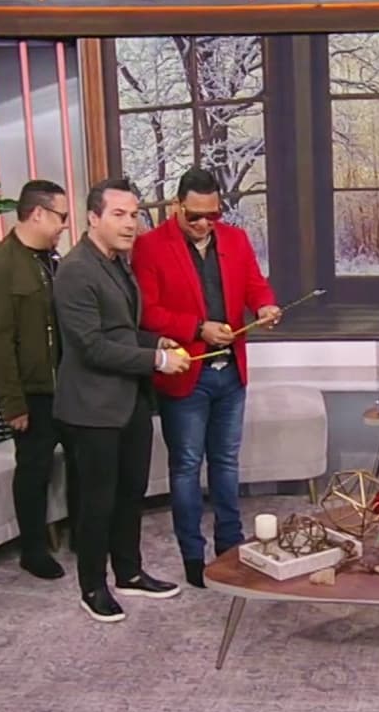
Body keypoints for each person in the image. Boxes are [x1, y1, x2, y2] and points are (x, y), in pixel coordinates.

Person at [132, 168, 280, 589]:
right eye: (194, 215)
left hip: (231, 372)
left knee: (227, 463)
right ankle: (193, 556)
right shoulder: (150, 247)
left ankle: (229, 548)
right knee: (186, 467)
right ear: (177, 206)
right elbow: (148, 313)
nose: (203, 224)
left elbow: (255, 285)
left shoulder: (235, 239)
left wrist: (265, 306)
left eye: (212, 215)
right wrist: (198, 329)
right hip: (186, 374)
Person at [53, 177, 190, 623]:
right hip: (92, 407)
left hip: (129, 400)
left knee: (132, 493)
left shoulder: (117, 263)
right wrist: (157, 359)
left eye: (134, 215)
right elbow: (91, 346)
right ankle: (93, 586)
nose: (131, 223)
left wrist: (155, 340)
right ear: (93, 218)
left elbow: (121, 330)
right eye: (119, 214)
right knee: (98, 502)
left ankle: (129, 573)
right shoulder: (76, 270)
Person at [0, 179, 80, 580]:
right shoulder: (1, 265)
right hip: (34, 394)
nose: (64, 226)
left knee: (81, 462)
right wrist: (13, 403)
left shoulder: (53, 260)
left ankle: (81, 535)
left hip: (67, 387)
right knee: (34, 471)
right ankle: (33, 549)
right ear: (37, 213)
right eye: (61, 217)